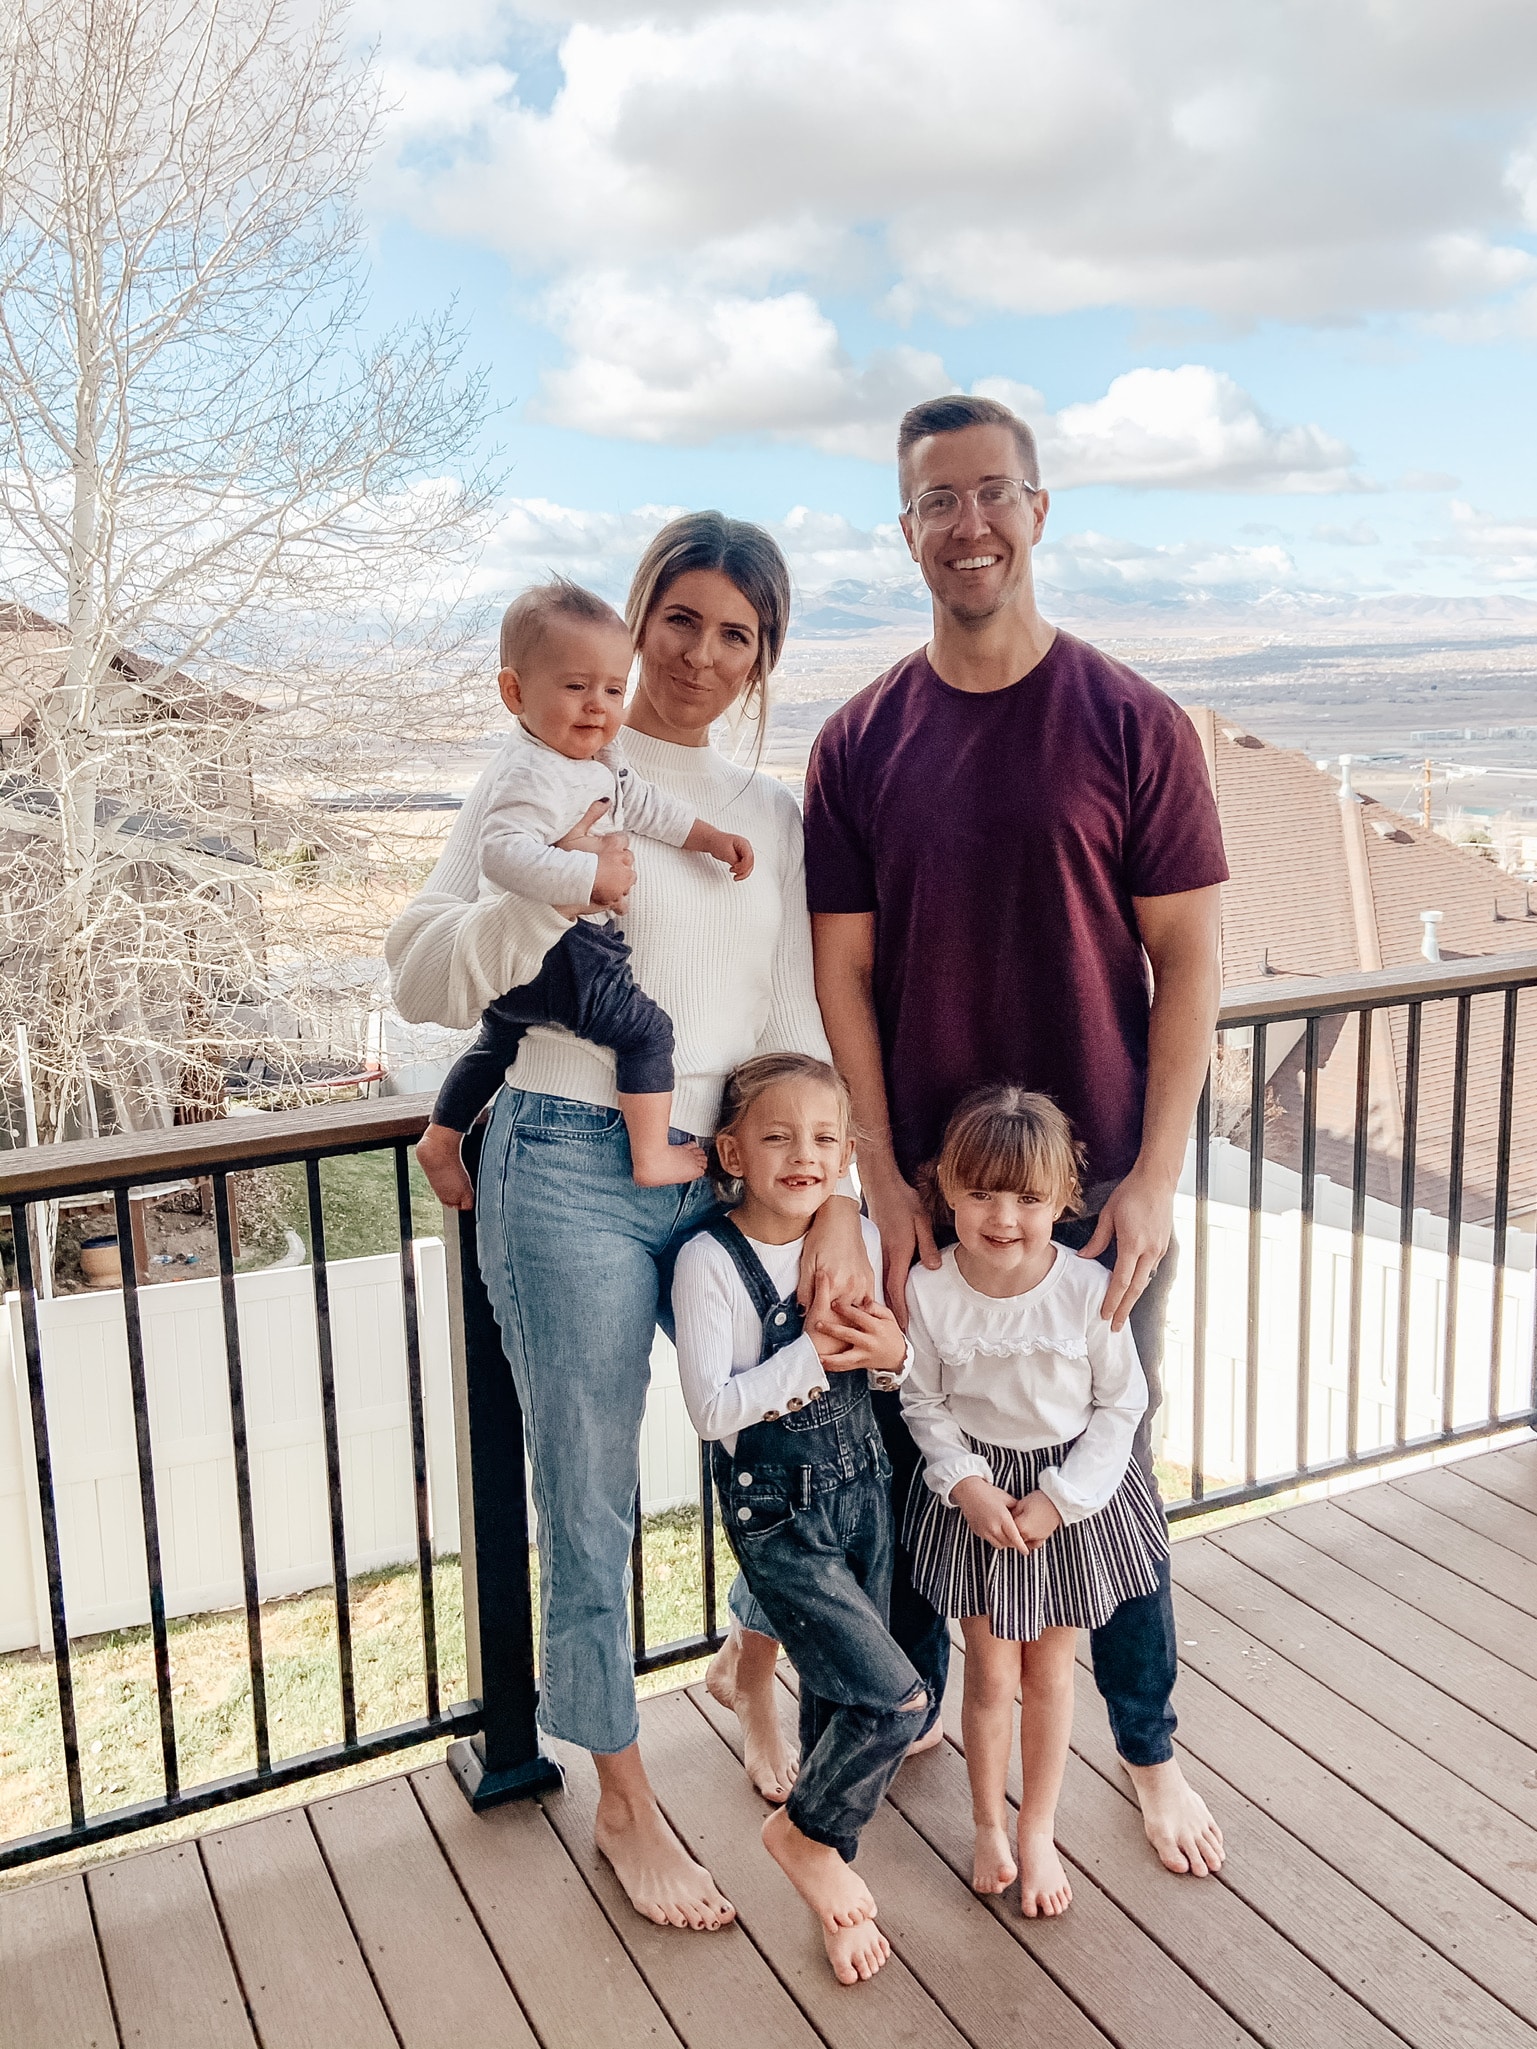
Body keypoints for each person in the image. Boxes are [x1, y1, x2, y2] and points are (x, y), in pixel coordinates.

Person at [385, 512, 872, 1933]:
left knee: (795, 1436)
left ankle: (753, 1673)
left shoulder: (765, 817)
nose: (701, 657)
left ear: (762, 657)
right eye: (682, 620)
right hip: (566, 1154)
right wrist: (537, 916)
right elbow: (420, 968)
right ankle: (624, 1798)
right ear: (635, 618)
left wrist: (824, 1193)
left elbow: (789, 1014)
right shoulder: (539, 775)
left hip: (737, 1165)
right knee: (589, 1494)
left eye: (739, 635)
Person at [806, 392, 1229, 1878]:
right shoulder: (858, 742)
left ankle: (1147, 1748)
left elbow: (1191, 962)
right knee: (934, 1456)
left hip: (1095, 1193)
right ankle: (932, 1702)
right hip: (932, 1198)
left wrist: (1159, 1177)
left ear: (1037, 511)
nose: (967, 524)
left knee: (1112, 1474)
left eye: (993, 493)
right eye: (937, 501)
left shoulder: (1134, 722)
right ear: (906, 529)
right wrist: (878, 1180)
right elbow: (842, 973)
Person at [672, 1053, 920, 1984]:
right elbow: (709, 1410)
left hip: (863, 1486)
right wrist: (811, 1356)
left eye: (823, 1138)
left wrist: (889, 1354)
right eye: (776, 1136)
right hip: (778, 1513)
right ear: (732, 1149)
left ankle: (829, 1879)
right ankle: (803, 1835)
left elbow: (887, 1368)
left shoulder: (839, 1235)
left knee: (838, 1699)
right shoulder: (709, 1260)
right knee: (896, 1698)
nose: (802, 1155)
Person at [901, 1087, 1167, 1914]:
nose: (1003, 1216)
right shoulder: (931, 1288)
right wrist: (966, 1484)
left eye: (1027, 1197)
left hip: (1066, 1503)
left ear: (1062, 1200)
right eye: (980, 1191)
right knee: (988, 1673)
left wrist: (1059, 1499)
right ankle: (987, 1820)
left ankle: (1037, 1829)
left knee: (1050, 1671)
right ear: (946, 1189)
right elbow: (922, 1402)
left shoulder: (1087, 1290)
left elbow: (1121, 1404)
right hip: (977, 1497)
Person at [415, 578, 754, 1200]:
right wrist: (587, 877)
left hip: (524, 971)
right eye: (575, 687)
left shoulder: (597, 760)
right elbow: (503, 853)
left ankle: (442, 1136)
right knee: (646, 1032)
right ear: (515, 691)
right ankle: (651, 1153)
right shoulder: (527, 770)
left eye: (612, 689)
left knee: (497, 1039)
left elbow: (651, 808)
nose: (597, 707)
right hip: (565, 953)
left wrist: (708, 837)